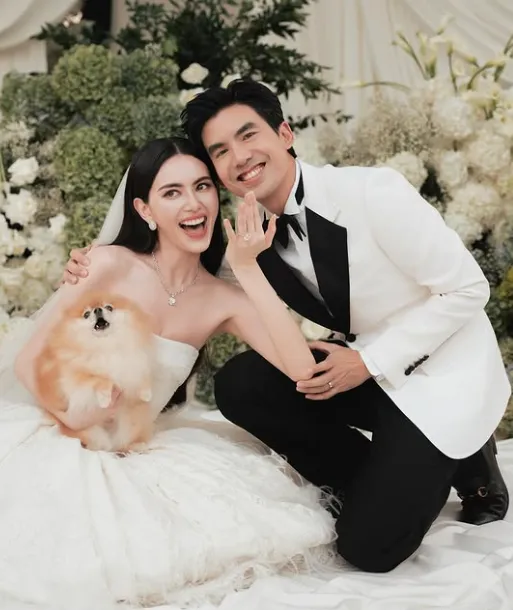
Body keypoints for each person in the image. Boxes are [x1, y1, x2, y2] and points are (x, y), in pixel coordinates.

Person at [63, 81, 511, 573]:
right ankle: (382, 479)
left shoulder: (371, 192)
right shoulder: (247, 236)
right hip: (365, 368)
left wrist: (369, 362)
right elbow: (184, 286)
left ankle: (472, 461)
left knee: (369, 550)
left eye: (248, 135)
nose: (239, 157)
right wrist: (100, 267)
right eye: (220, 151)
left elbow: (468, 289)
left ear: (284, 133)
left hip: (439, 371)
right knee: (242, 383)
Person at [0, 137, 338, 609]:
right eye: (172, 192)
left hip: (139, 445)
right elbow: (28, 361)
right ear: (145, 210)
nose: (193, 203)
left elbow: (302, 368)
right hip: (61, 433)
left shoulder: (223, 299)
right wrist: (79, 416)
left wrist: (247, 268)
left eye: (202, 186)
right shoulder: (107, 264)